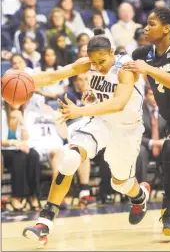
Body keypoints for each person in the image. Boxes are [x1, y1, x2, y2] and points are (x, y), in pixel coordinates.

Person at [22, 28, 150, 244]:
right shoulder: (89, 63)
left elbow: (118, 103)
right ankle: (45, 221)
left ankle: (140, 196)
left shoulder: (126, 68)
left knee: (120, 183)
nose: (97, 67)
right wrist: (27, 80)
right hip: (99, 121)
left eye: (102, 61)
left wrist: (80, 110)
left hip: (126, 128)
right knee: (70, 157)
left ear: (111, 53)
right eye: (93, 62)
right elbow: (54, 75)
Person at [122, 7, 170, 236]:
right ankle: (148, 202)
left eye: (152, 24)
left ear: (167, 28)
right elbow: (120, 67)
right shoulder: (145, 53)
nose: (146, 27)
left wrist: (149, 69)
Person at [1, 102, 41, 211]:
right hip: (5, 150)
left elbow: (25, 139)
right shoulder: (2, 113)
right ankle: (16, 196)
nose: (16, 102)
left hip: (20, 149)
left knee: (34, 155)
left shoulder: (26, 114)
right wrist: (14, 142)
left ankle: (33, 196)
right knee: (19, 158)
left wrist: (22, 122)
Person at [136, 84, 167, 182]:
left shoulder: (166, 109)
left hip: (163, 146)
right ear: (145, 96)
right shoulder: (138, 110)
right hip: (145, 146)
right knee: (140, 152)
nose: (155, 97)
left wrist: (167, 141)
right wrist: (154, 143)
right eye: (151, 94)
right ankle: (142, 190)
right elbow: (136, 136)